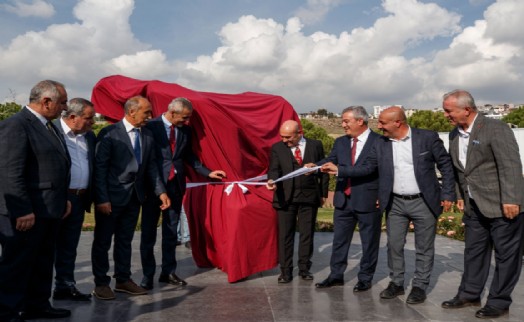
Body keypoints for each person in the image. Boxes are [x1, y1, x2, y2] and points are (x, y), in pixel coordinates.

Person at [321, 106, 455, 304]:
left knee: (424, 247)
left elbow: (445, 164)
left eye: (382, 123)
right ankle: (397, 283)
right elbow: (367, 168)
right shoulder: (381, 143)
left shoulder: (426, 137)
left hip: (424, 201)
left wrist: (448, 193)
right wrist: (340, 170)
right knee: (393, 245)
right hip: (395, 203)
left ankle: (419, 286)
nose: (379, 126)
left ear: (398, 122)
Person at [441, 90, 524, 319]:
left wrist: (511, 199)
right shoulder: (454, 134)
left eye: (449, 110)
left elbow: (510, 165)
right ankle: (469, 294)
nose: (445, 115)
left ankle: (499, 301)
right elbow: (461, 169)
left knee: (507, 256)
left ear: (466, 109)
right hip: (473, 205)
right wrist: (460, 195)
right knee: (473, 252)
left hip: (502, 204)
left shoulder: (496, 129)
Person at [0, 80, 72, 321]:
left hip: (48, 209)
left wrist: (64, 199)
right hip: (27, 213)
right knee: (17, 264)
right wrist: (22, 210)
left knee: (42, 262)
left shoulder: (48, 126)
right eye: (62, 102)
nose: (65, 107)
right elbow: (10, 172)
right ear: (46, 101)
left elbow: (55, 167)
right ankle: (7, 310)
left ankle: (37, 305)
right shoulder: (16, 125)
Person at [140, 97, 226, 290]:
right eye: (184, 117)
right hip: (152, 187)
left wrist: (208, 172)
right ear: (172, 113)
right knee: (148, 234)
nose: (186, 121)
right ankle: (147, 275)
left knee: (171, 232)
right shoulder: (150, 127)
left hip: (176, 186)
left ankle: (168, 272)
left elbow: (188, 156)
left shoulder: (185, 130)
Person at [92, 96, 170, 300]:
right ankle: (101, 283)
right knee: (103, 241)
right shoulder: (109, 133)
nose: (150, 116)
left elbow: (151, 167)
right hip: (110, 199)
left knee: (125, 241)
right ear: (132, 111)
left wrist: (160, 192)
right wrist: (101, 199)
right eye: (146, 112)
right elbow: (100, 169)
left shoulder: (148, 135)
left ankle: (123, 280)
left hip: (135, 198)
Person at [313, 106, 382, 292]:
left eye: (346, 121)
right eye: (342, 121)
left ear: (360, 121)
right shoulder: (341, 142)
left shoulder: (379, 142)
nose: (342, 125)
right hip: (344, 200)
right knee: (339, 241)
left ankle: (365, 278)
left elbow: (370, 168)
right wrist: (314, 166)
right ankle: (336, 276)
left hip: (368, 199)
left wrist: (340, 170)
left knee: (369, 242)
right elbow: (331, 159)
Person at [266, 120, 329, 283]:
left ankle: (304, 268)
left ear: (299, 133)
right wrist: (271, 181)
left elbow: (323, 170)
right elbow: (273, 169)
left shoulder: (316, 145)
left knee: (307, 234)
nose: (285, 140)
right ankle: (285, 271)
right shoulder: (277, 148)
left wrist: (323, 193)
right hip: (285, 198)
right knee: (285, 236)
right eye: (282, 137)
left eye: (288, 137)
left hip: (309, 196)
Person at [52, 98, 96, 302]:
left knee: (69, 246)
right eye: (88, 118)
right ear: (72, 117)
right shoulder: (51, 132)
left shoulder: (89, 137)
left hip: (79, 199)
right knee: (46, 247)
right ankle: (34, 295)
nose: (93, 122)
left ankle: (65, 285)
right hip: (55, 199)